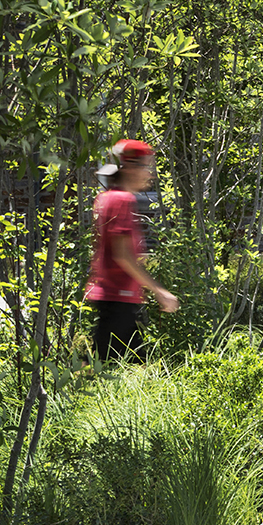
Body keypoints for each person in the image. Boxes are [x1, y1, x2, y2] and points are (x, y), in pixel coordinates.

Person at [85, 139, 180, 362]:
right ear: (128, 167)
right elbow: (122, 255)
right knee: (117, 367)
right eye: (146, 166)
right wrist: (159, 291)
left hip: (117, 299)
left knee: (110, 366)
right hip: (118, 299)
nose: (150, 174)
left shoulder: (106, 198)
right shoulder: (121, 200)